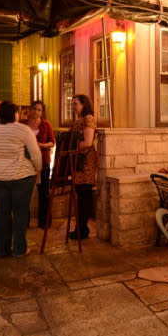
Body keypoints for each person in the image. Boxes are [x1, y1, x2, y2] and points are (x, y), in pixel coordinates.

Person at [0, 101, 42, 257]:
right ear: (15, 114)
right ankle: (19, 249)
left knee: (2, 212)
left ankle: (2, 250)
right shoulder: (23, 129)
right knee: (20, 213)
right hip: (21, 177)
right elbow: (35, 154)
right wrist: (38, 168)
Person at [69, 94, 98, 240]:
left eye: (75, 104)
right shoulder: (80, 119)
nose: (73, 107)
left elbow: (87, 142)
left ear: (84, 105)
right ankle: (80, 228)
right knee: (81, 194)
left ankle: (82, 230)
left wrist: (70, 146)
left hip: (85, 162)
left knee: (84, 195)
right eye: (72, 104)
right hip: (79, 161)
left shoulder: (88, 119)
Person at [26, 100, 55, 227]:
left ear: (42, 112)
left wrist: (42, 145)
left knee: (43, 192)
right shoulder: (23, 124)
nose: (36, 112)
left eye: (39, 110)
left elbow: (52, 142)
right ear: (30, 109)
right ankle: (24, 221)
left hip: (43, 161)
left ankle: (44, 221)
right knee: (25, 192)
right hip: (26, 162)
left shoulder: (46, 125)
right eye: (35, 109)